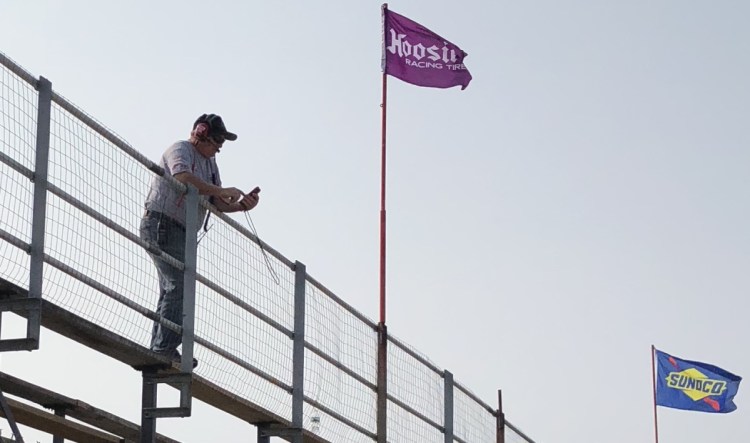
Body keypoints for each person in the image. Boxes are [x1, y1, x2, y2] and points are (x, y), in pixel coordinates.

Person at [140, 113, 259, 367]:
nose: (219, 147)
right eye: (216, 140)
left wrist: (241, 207)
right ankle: (163, 349)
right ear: (200, 132)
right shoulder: (180, 149)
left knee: (172, 289)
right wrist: (221, 191)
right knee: (178, 286)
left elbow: (216, 202)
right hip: (161, 224)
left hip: (181, 230)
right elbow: (181, 177)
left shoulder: (210, 165)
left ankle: (160, 348)